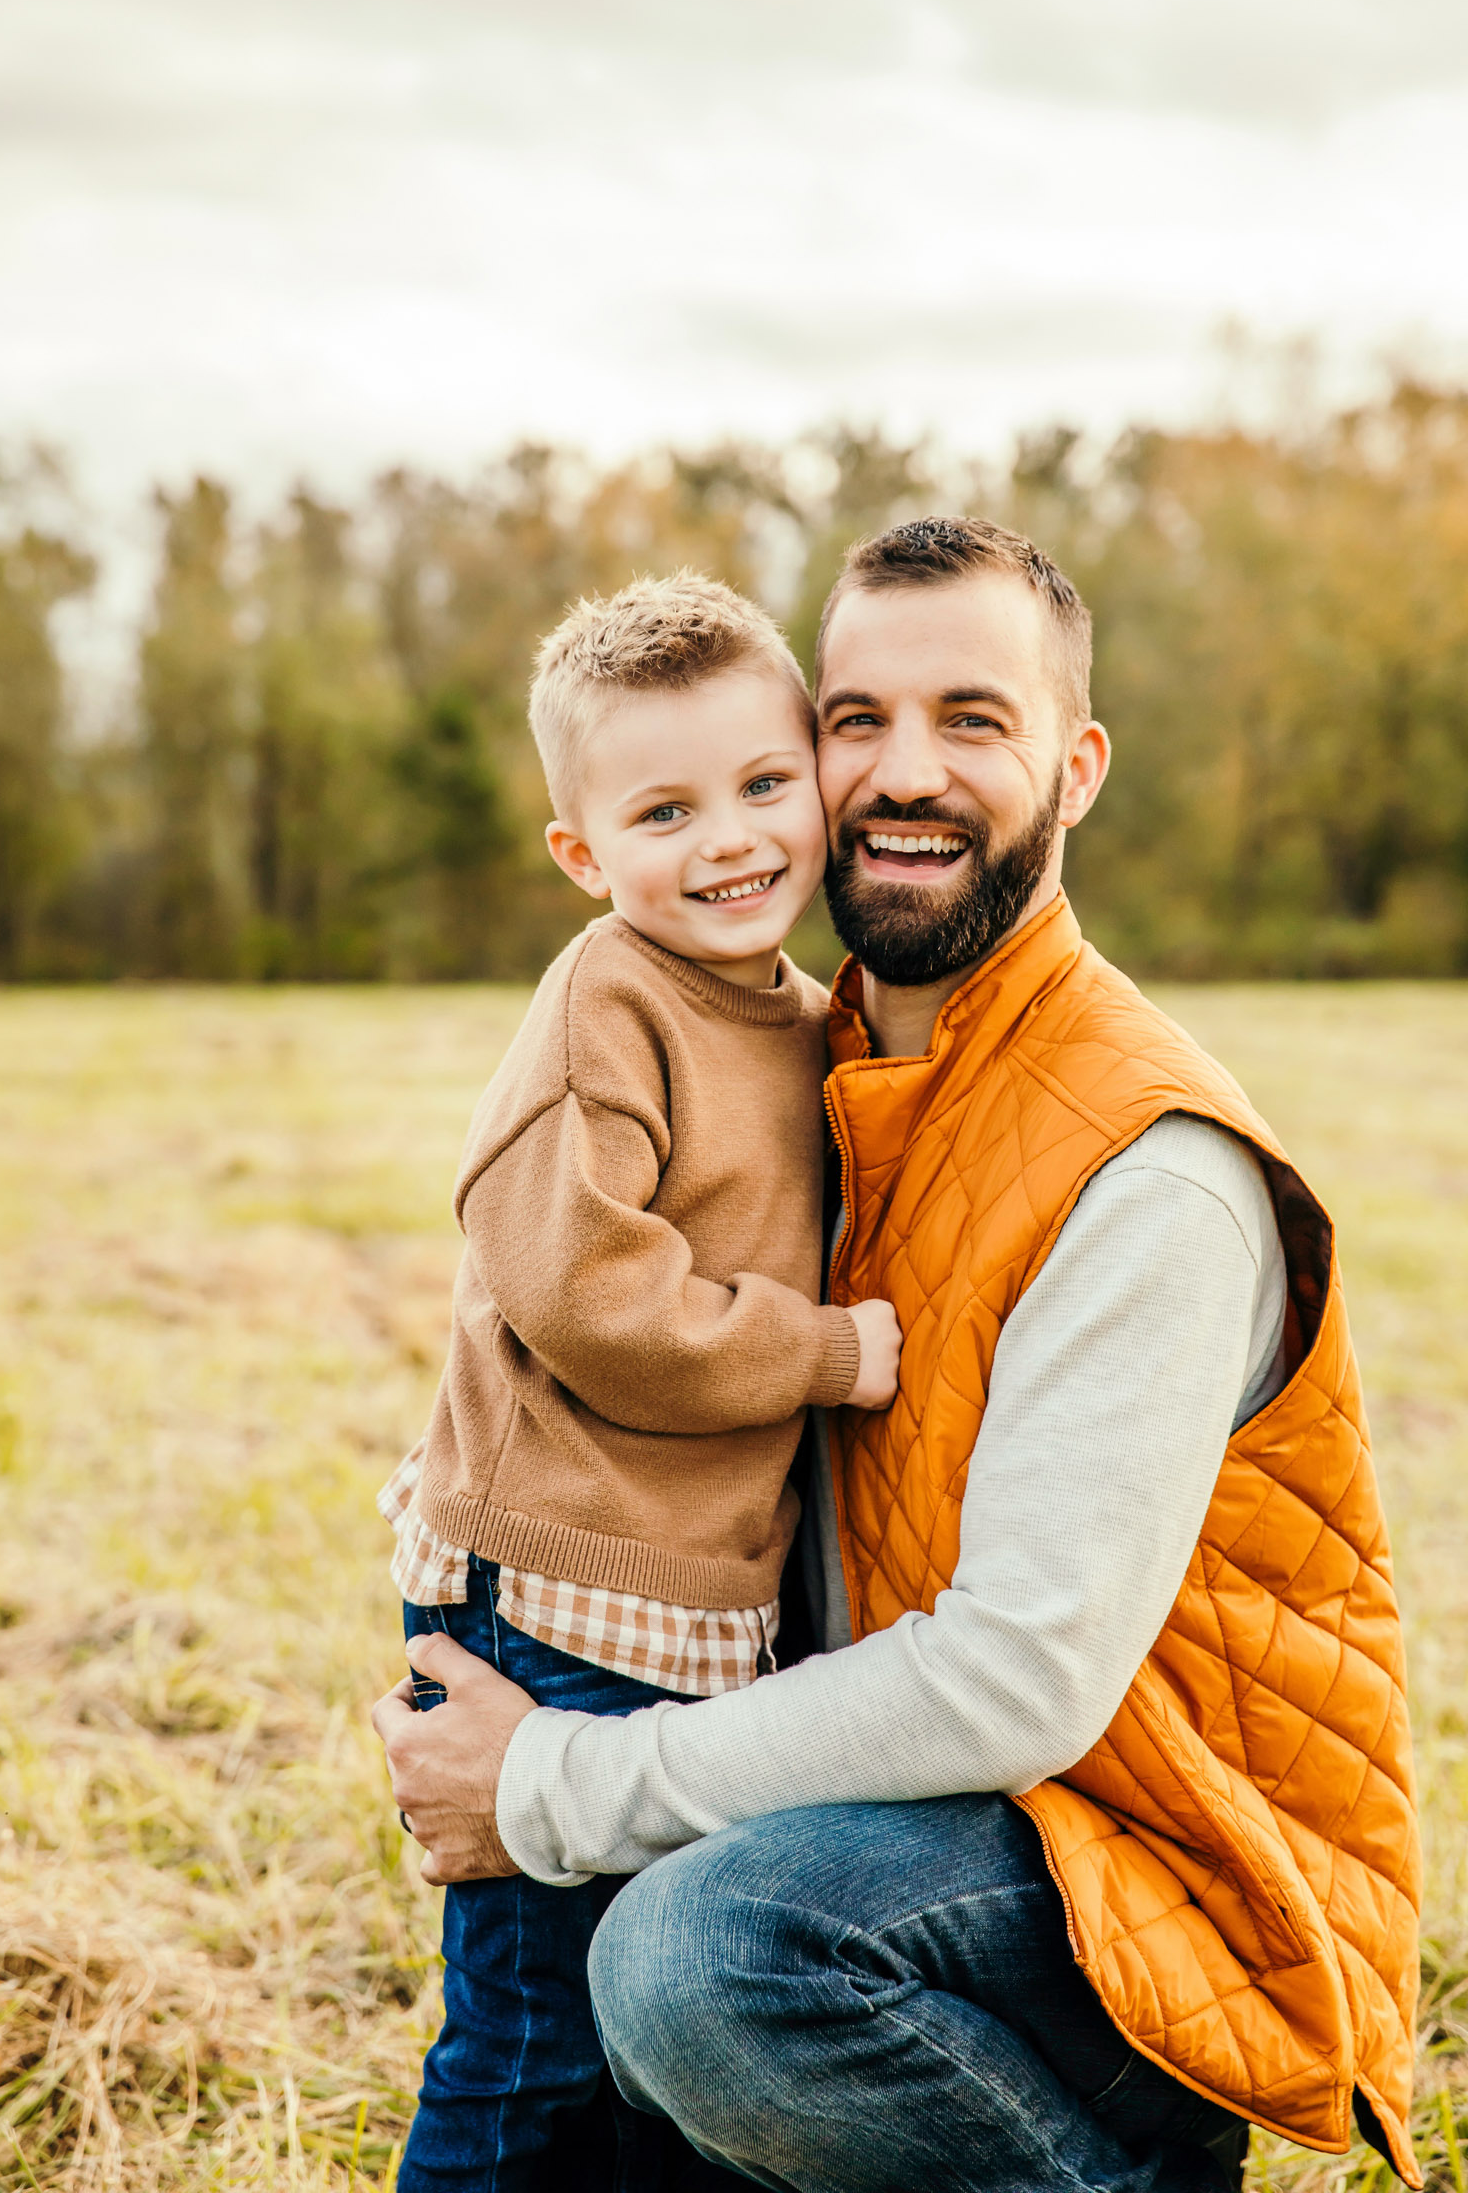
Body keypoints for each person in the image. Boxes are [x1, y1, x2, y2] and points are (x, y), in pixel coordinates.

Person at [374, 518, 1422, 2193]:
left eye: (973, 719)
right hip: (924, 1829)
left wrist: (560, 1780)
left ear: (1076, 770)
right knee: (596, 2048)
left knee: (695, 1960)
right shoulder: (823, 1065)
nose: (901, 772)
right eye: (857, 718)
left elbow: (1016, 1679)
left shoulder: (1152, 1172)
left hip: (1138, 1876)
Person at [374, 569, 902, 2188]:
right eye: (665, 810)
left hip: (689, 1604)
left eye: (762, 784)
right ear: (583, 854)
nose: (733, 837)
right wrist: (828, 1352)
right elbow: (587, 1294)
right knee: (532, 2048)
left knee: (646, 2043)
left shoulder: (808, 1018)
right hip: (554, 1586)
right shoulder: (607, 1005)